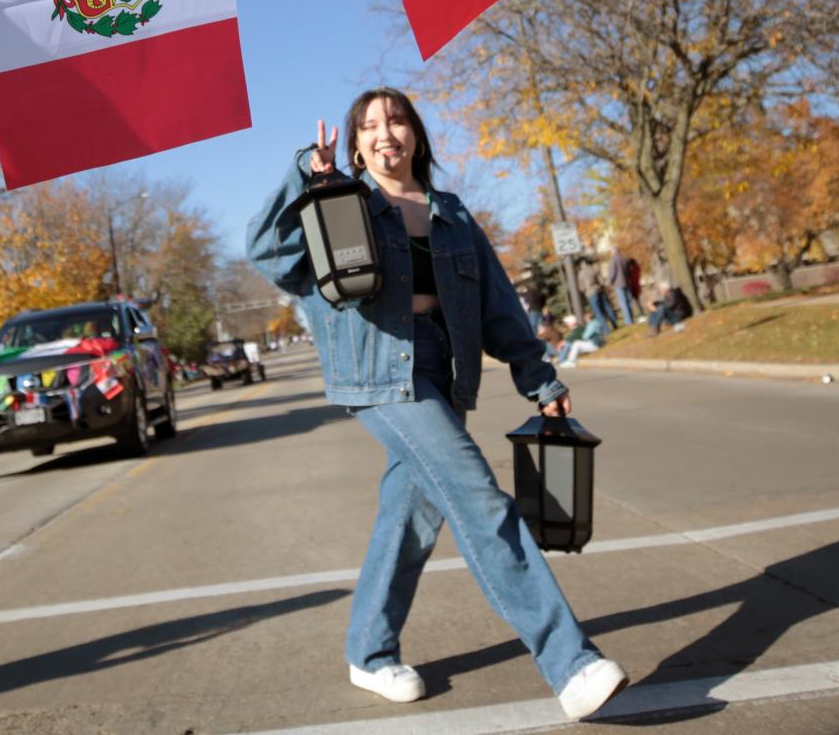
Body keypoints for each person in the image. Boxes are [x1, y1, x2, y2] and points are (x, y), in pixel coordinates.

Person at [248, 88, 628, 722]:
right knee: (480, 500)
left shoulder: (451, 214)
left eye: (396, 120)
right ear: (354, 142)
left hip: (442, 373)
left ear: (416, 135)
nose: (384, 132)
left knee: (408, 520)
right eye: (368, 125)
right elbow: (266, 253)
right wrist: (302, 175)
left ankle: (368, 653)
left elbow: (498, 307)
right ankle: (570, 662)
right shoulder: (339, 204)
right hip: (378, 372)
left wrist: (542, 382)